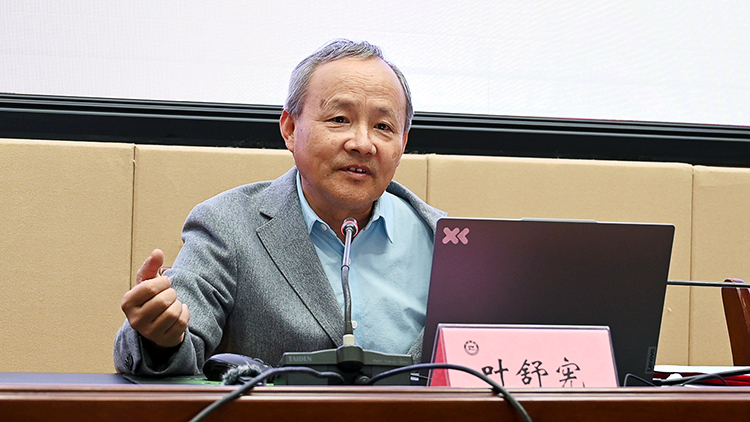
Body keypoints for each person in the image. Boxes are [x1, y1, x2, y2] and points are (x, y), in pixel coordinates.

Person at [114, 39, 446, 376]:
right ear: (289, 129)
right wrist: (159, 338)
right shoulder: (228, 225)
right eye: (339, 119)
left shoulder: (446, 242)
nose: (362, 143)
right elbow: (181, 336)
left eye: (383, 127)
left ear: (402, 143)